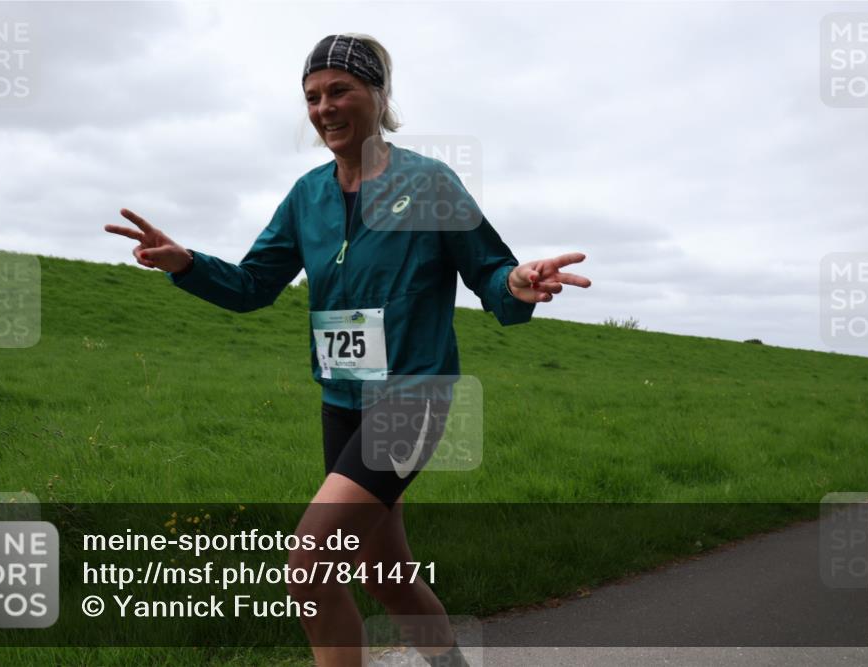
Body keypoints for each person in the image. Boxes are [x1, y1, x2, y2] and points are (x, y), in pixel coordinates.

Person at [106, 33, 590, 667]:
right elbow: (255, 285)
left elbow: (492, 273)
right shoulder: (308, 195)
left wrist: (520, 283)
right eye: (311, 97)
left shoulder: (430, 183)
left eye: (340, 90)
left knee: (308, 567)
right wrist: (188, 263)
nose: (324, 108)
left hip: (412, 398)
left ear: (377, 95)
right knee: (384, 575)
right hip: (342, 401)